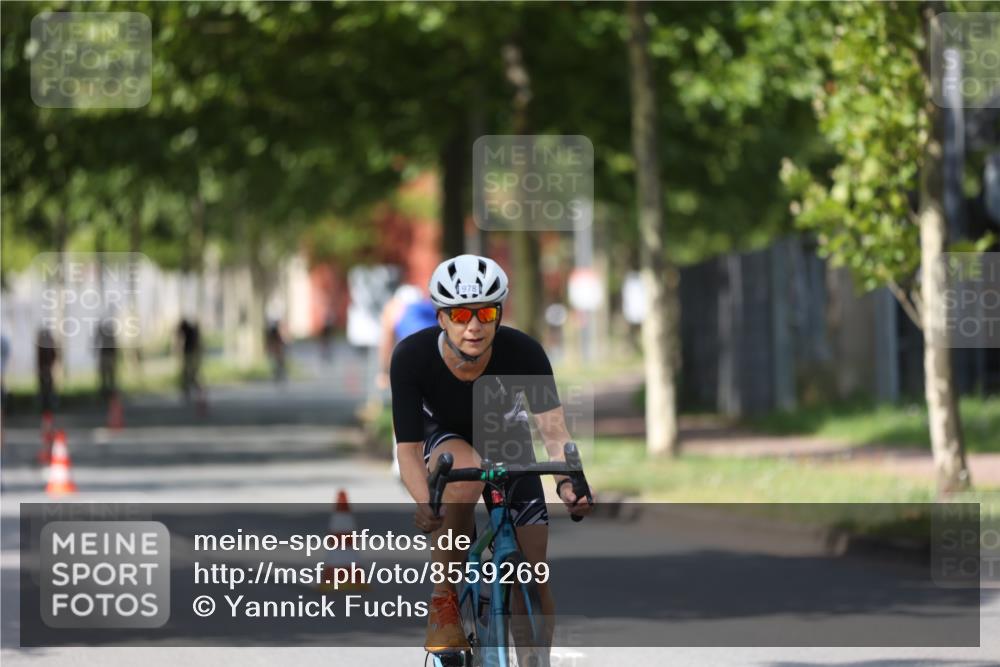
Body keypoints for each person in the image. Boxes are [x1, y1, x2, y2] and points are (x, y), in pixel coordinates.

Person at [389, 254, 594, 656]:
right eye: (461, 314)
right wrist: (426, 504)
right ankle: (446, 599)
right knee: (464, 474)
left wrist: (569, 483)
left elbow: (554, 433)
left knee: (533, 572)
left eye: (484, 312)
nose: (474, 326)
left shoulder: (524, 353)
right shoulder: (412, 357)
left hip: (504, 434)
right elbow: (409, 450)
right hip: (443, 436)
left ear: (498, 313)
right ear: (441, 318)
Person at [176, 318, 202, 402]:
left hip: (190, 355)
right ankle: (190, 390)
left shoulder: (190, 333)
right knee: (189, 374)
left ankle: (192, 390)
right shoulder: (191, 332)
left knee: (189, 374)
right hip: (190, 354)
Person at [36, 327, 59, 413]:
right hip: (45, 371)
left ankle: (48, 408)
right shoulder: (43, 347)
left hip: (46, 370)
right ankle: (46, 408)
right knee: (46, 392)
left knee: (47, 392)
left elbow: (53, 356)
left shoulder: (45, 347)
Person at [95, 319, 118, 401]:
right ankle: (106, 393)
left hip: (108, 355)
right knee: (105, 376)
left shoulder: (109, 335)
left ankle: (110, 393)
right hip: (106, 355)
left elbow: (114, 347)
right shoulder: (107, 334)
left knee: (109, 376)